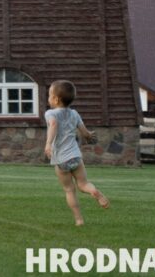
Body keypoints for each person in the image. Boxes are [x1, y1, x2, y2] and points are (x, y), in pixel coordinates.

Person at [44, 80, 110, 226]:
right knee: (83, 184)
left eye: (49, 95)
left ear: (55, 99)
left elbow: (53, 125)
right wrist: (88, 136)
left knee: (69, 190)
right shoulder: (74, 113)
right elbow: (84, 132)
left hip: (61, 159)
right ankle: (94, 192)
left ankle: (79, 219)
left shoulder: (50, 113)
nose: (48, 98)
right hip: (75, 156)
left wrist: (48, 144)